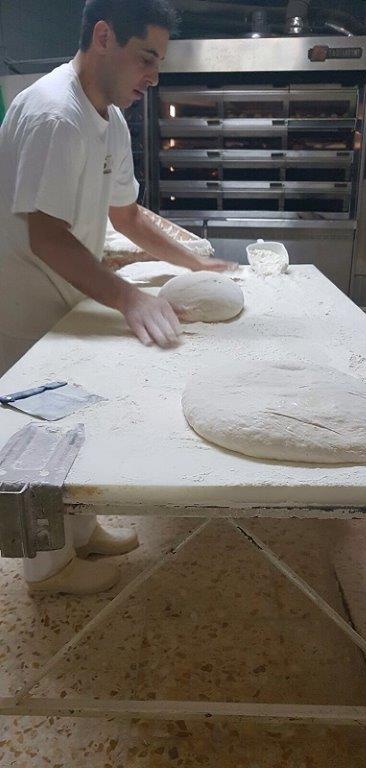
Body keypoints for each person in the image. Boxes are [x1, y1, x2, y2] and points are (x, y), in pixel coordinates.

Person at [0, 0, 230, 595]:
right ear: (103, 36)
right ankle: (48, 573)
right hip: (25, 299)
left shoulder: (110, 116)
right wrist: (129, 298)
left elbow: (124, 215)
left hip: (70, 293)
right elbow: (46, 237)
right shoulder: (55, 115)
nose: (153, 76)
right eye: (145, 58)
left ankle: (80, 533)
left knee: (78, 417)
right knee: (39, 431)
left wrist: (193, 259)